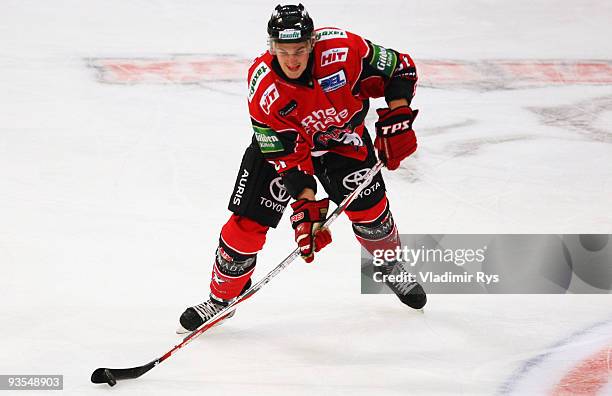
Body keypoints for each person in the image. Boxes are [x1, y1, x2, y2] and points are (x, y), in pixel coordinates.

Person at [177, 3, 426, 333]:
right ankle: (220, 301)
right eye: (283, 51)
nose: (292, 60)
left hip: (342, 141)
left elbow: (401, 68)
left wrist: (398, 118)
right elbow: (286, 159)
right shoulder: (263, 86)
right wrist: (306, 207)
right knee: (246, 225)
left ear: (311, 43)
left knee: (372, 212)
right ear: (272, 47)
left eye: (299, 50)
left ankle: (389, 266)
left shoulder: (344, 49)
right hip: (286, 149)